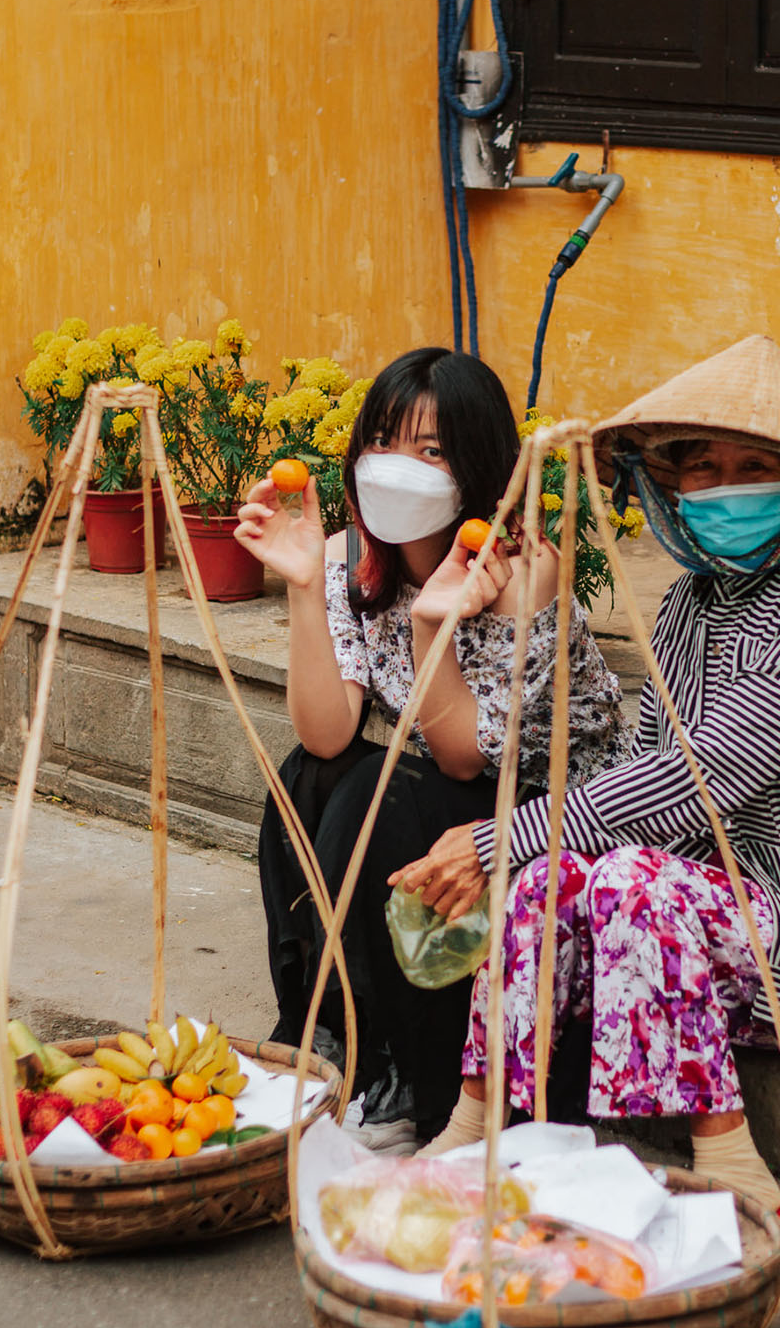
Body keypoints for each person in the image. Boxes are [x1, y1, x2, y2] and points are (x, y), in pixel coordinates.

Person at [396, 335, 780, 1208]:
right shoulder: (691, 604)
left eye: (752, 465)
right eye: (702, 468)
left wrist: (502, 834)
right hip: (702, 902)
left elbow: (700, 779)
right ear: (675, 488)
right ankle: (477, 1120)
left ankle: (727, 1156)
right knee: (552, 879)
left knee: (624, 876)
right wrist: (536, 853)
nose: (724, 484)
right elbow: (641, 767)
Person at [235, 346, 635, 1147]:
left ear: (477, 469)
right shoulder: (353, 556)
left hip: (547, 816)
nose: (397, 468)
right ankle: (331, 1035)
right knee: (308, 781)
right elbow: (327, 731)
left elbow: (463, 758)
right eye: (383, 440)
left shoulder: (523, 572)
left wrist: (432, 625)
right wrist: (307, 583)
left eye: (431, 450)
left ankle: (419, 1086)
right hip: (460, 785)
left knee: (380, 799)